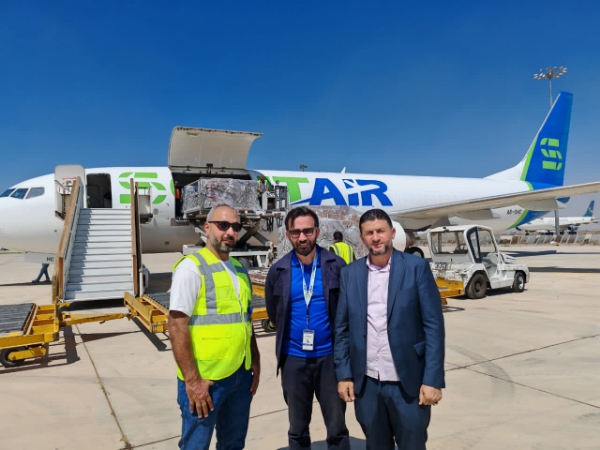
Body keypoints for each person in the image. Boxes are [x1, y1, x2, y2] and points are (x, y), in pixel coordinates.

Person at [334, 209, 445, 450]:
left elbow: (434, 326)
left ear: (392, 233)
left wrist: (433, 380)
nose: (376, 238)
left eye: (380, 231)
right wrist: (344, 375)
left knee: (412, 445)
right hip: (368, 385)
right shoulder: (350, 274)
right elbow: (342, 329)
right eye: (369, 233)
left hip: (408, 384)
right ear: (362, 238)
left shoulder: (416, 268)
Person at [168, 204, 261, 450]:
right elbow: (176, 325)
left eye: (236, 227)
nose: (230, 232)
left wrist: (255, 358)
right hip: (206, 380)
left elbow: (245, 319)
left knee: (233, 444)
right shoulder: (191, 267)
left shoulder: (240, 270)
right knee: (196, 446)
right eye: (223, 225)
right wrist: (193, 381)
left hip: (240, 374)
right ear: (207, 228)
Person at [265, 206, 350, 450]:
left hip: (329, 359)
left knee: (337, 426)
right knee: (297, 428)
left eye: (308, 231)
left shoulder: (337, 266)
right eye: (296, 232)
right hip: (293, 360)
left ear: (317, 232)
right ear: (288, 235)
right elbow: (274, 312)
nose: (302, 237)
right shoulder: (278, 271)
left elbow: (347, 313)